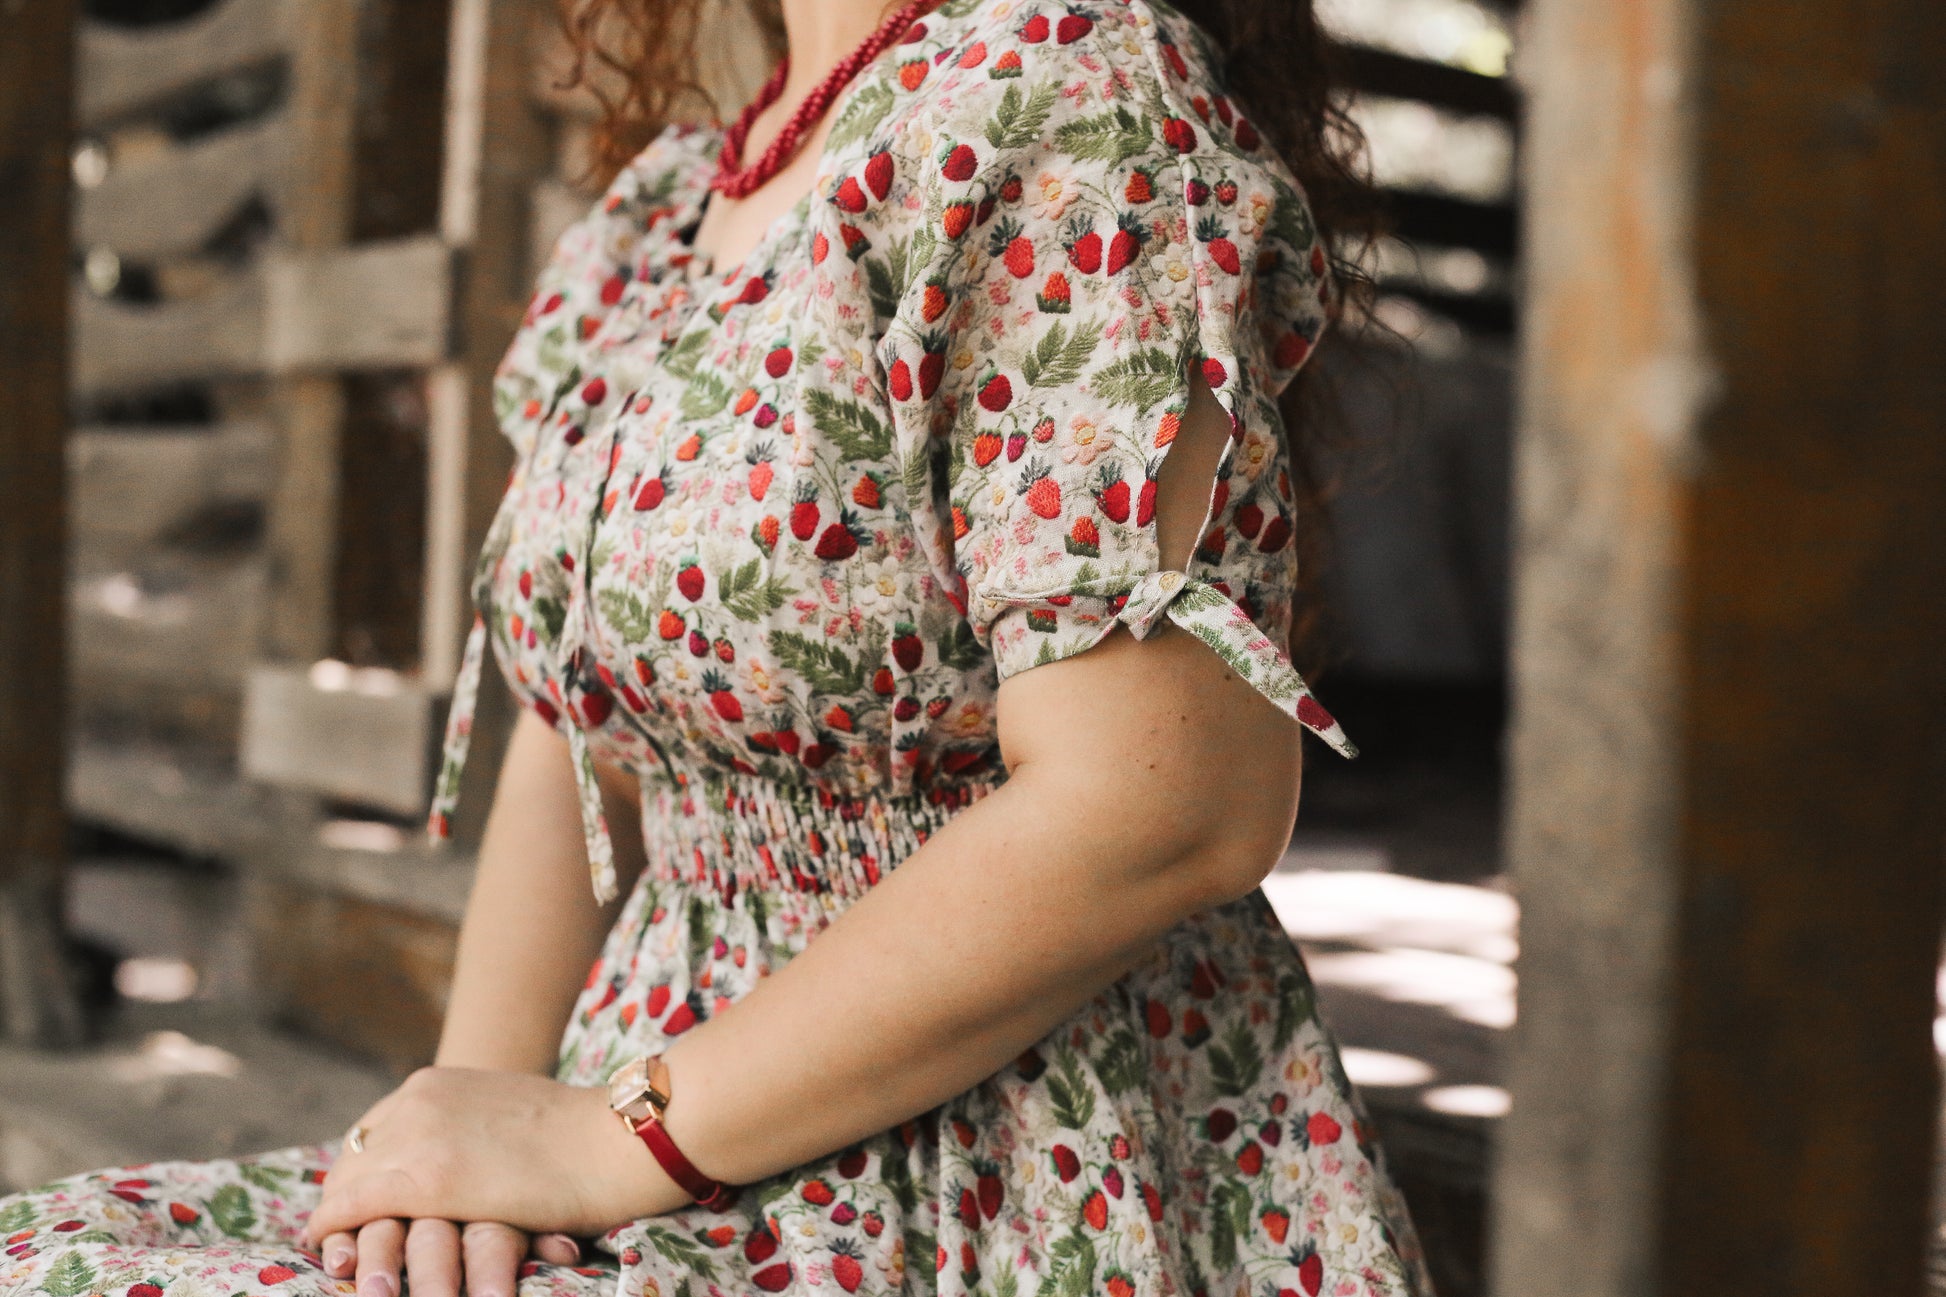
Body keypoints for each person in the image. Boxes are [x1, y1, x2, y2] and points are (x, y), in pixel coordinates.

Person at [0, 0, 1435, 1294]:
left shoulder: (1069, 99)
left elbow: (1165, 802)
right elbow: (578, 730)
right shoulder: (672, 207)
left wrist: (601, 1144)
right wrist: (455, 1150)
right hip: (640, 1117)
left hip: (988, 1153)